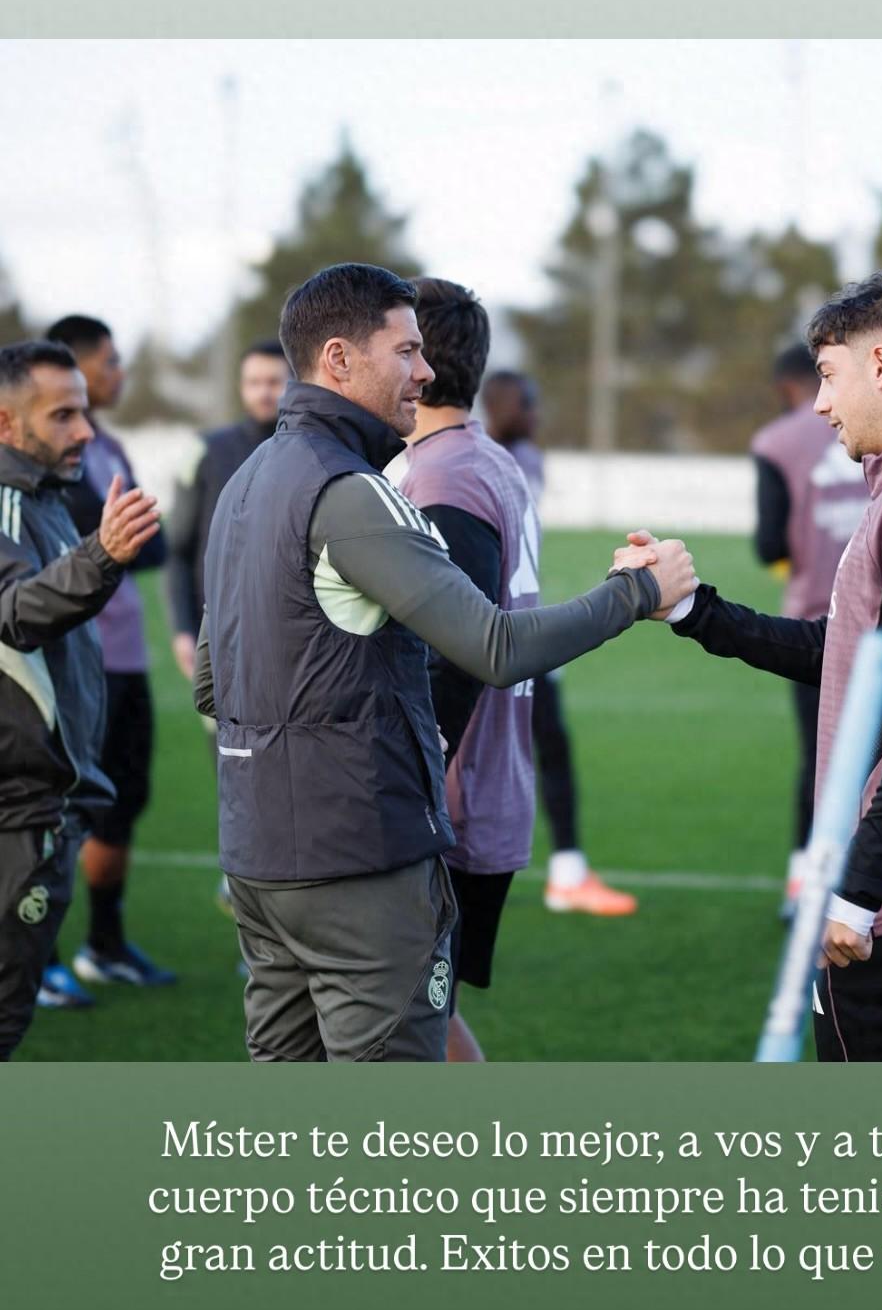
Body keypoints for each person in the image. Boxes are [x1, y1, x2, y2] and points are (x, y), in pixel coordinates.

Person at [195, 263, 694, 1064]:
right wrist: (635, 592)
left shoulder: (246, 485)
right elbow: (495, 648)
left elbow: (211, 683)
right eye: (406, 351)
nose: (426, 372)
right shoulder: (352, 492)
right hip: (360, 859)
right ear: (338, 359)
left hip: (257, 858)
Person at [622, 271, 882, 1063]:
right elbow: (851, 648)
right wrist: (694, 612)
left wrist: (861, 885)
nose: (819, 403)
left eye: (828, 374)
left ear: (880, 365)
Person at [0, 340, 161, 1055]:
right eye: (63, 415)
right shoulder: (7, 503)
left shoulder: (42, 498)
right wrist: (102, 556)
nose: (85, 431)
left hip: (40, 802)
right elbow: (14, 612)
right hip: (17, 807)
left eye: (84, 412)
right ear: (6, 423)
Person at [398, 281, 539, 1062]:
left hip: (448, 801)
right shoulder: (482, 459)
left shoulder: (444, 477)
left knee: (409, 1021)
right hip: (485, 786)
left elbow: (459, 649)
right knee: (422, 1016)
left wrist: (410, 779)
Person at [45, 314, 173, 994]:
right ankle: (35, 956)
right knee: (56, 809)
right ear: (75, 366)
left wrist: (118, 534)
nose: (119, 374)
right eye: (111, 362)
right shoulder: (48, 454)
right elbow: (100, 537)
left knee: (121, 799)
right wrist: (116, 534)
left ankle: (105, 943)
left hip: (125, 657)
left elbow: (151, 545)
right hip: (72, 658)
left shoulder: (111, 445)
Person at [481, 368, 638, 918]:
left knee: (548, 744)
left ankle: (568, 872)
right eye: (529, 403)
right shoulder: (491, 462)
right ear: (508, 406)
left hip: (520, 629)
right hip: (494, 634)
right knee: (507, 750)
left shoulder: (521, 458)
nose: (537, 414)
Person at [750, 342, 868, 908]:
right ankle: (875, 886)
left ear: (785, 386)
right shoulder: (873, 425)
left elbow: (768, 544)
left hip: (814, 624)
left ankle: (806, 882)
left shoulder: (775, 442)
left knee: (820, 758)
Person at [167, 339, 291, 682]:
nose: (264, 392)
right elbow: (178, 548)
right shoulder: (205, 450)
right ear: (241, 386)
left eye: (274, 382)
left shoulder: (311, 447)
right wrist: (183, 629)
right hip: (223, 630)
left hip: (293, 631)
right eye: (254, 382)